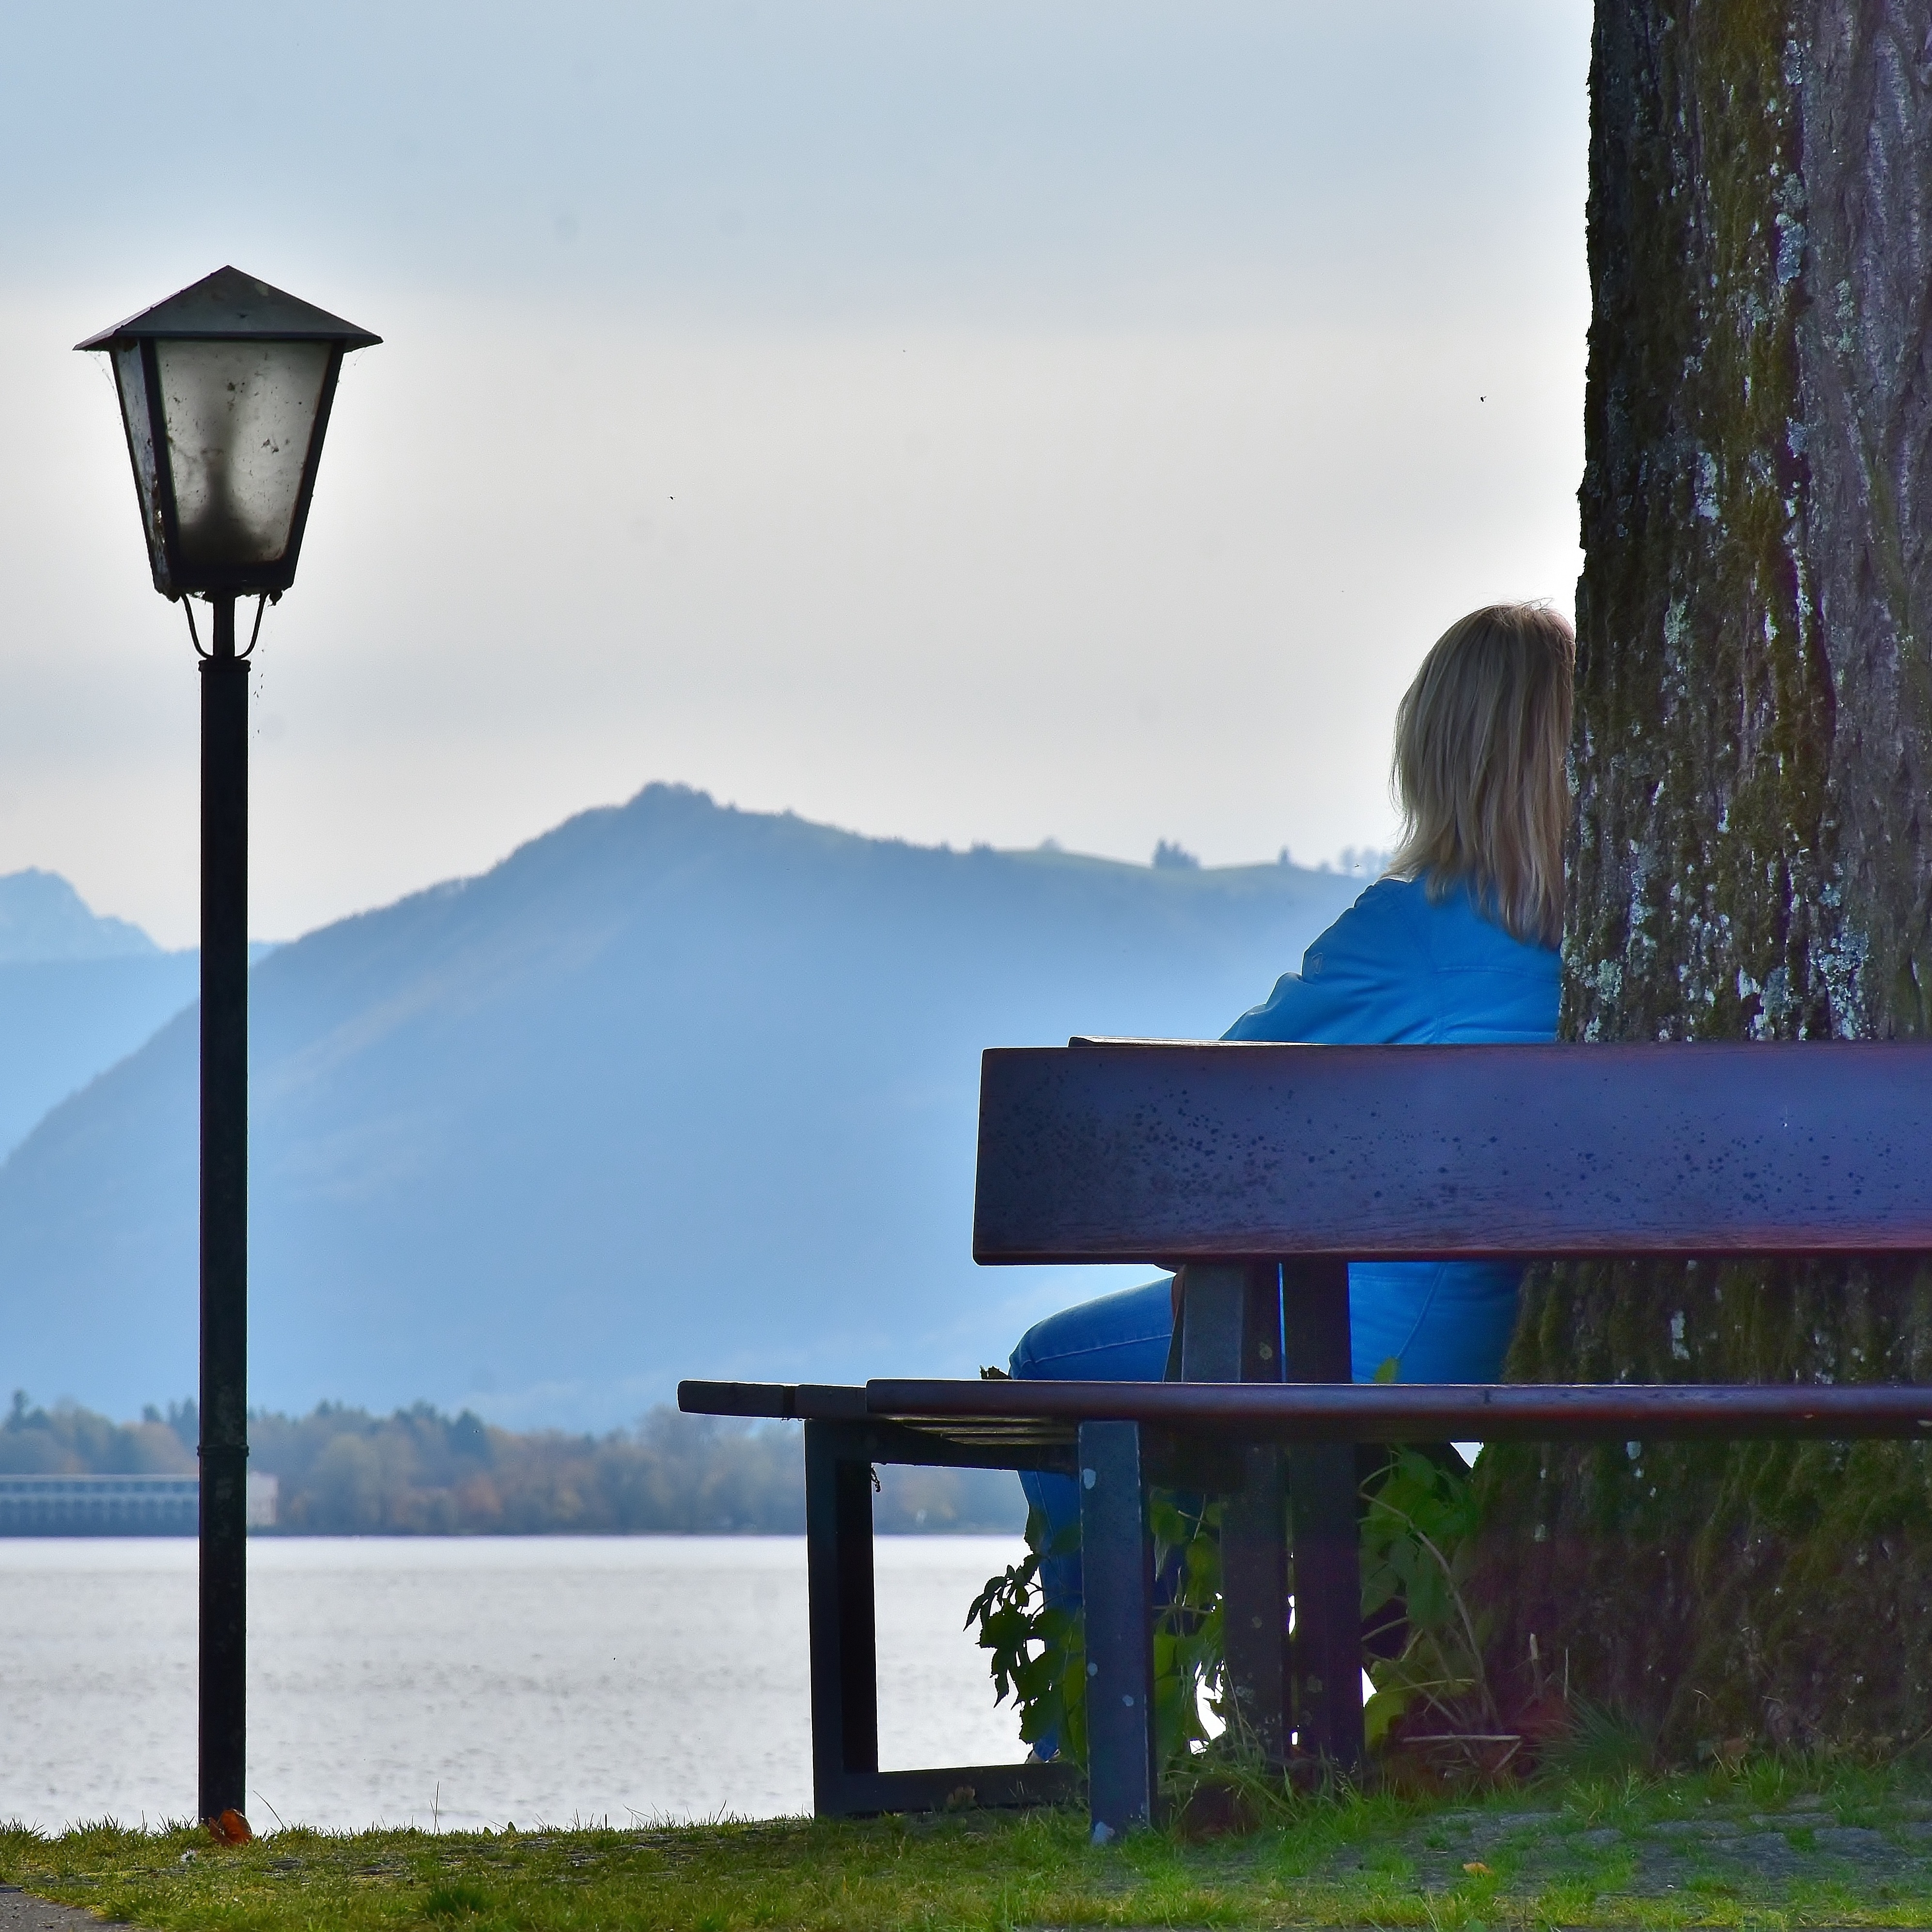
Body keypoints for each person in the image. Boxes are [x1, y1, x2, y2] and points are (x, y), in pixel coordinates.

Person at [1008, 600, 1575, 1639]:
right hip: (1512, 1340)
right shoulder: (1616, 934)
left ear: (1436, 753)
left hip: (1378, 1343)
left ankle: (1121, 1732)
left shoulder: (1414, 931)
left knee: (1051, 1370)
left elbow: (1213, 1099)